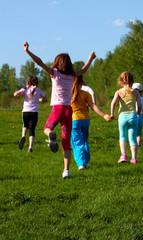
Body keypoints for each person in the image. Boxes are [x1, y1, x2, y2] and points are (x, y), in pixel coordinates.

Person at [23, 41, 96, 178]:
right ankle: (66, 171)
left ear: (57, 62)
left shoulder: (54, 73)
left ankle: (51, 136)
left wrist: (28, 51)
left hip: (57, 109)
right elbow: (84, 69)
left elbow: (39, 62)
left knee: (47, 128)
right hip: (69, 111)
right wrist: (90, 58)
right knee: (66, 142)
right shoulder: (72, 75)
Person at [71, 75, 113, 170]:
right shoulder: (85, 94)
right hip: (86, 120)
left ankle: (81, 163)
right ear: (81, 84)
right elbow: (93, 106)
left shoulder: (68, 94)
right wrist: (104, 115)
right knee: (84, 140)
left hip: (74, 120)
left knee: (77, 141)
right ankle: (85, 160)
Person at [110, 72, 142, 164]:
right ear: (132, 81)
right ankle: (134, 158)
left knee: (123, 136)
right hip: (133, 116)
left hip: (122, 116)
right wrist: (138, 113)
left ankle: (123, 155)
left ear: (121, 81)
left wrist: (112, 114)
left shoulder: (119, 92)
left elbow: (113, 103)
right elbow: (139, 105)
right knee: (132, 138)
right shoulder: (136, 92)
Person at [14, 76, 48, 153]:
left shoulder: (25, 90)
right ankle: (30, 147)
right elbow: (46, 99)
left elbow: (15, 94)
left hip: (25, 111)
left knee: (25, 125)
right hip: (34, 112)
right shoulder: (38, 90)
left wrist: (22, 89)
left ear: (28, 83)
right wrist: (39, 100)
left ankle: (23, 136)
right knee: (32, 130)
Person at [132, 83, 143, 148]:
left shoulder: (131, 99)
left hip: (132, 116)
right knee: (139, 134)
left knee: (132, 133)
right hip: (140, 116)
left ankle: (133, 146)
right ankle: (139, 146)